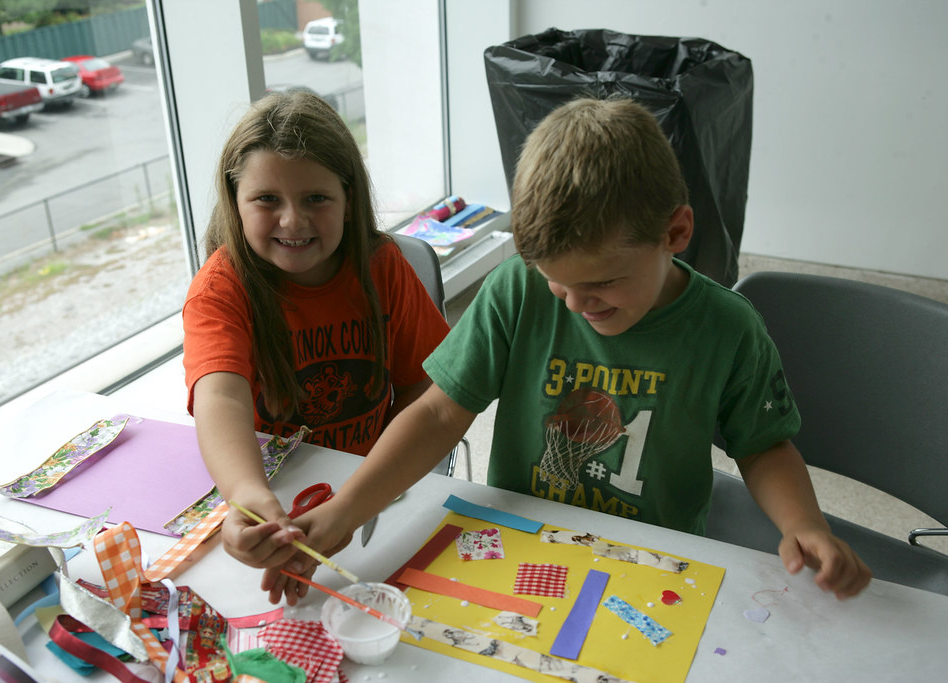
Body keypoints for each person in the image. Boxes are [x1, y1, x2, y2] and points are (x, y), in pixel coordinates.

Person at [260, 96, 872, 604]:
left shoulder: (729, 328)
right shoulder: (517, 290)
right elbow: (440, 412)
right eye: (558, 281)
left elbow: (762, 445)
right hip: (518, 539)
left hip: (652, 559)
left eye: (604, 281)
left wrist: (803, 525)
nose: (578, 304)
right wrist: (343, 514)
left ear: (676, 233)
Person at [182, 92, 449, 594]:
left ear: (349, 200)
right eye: (267, 200)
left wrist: (369, 486)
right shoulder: (221, 287)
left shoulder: (383, 266)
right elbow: (219, 396)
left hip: (376, 491)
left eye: (316, 199)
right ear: (234, 202)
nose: (293, 221)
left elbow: (428, 389)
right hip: (270, 499)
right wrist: (244, 495)